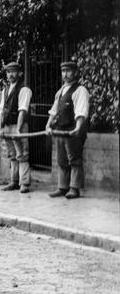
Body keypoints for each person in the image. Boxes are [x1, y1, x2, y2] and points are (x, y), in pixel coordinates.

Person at [46, 61, 90, 199]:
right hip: (60, 130)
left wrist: (78, 127)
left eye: (68, 71)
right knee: (61, 159)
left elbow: (81, 111)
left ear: (75, 72)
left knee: (74, 159)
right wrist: (48, 125)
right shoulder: (60, 91)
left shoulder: (80, 90)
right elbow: (54, 111)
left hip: (73, 130)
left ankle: (74, 188)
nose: (65, 74)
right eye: (63, 71)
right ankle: (63, 187)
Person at [0, 62, 33, 193]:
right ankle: (14, 181)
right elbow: (1, 110)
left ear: (20, 73)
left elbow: (22, 111)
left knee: (22, 154)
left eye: (13, 72)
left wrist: (18, 129)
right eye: (8, 72)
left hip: (18, 126)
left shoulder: (24, 89)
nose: (10, 74)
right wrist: (0, 128)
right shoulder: (5, 90)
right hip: (7, 125)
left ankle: (24, 183)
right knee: (12, 155)